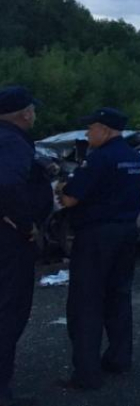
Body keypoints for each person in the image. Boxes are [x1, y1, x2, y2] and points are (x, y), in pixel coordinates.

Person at [58, 108, 140, 391]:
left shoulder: (99, 159)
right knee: (118, 297)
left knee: (86, 302)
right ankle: (119, 359)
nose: (87, 134)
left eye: (91, 128)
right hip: (126, 233)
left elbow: (71, 199)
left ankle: (86, 373)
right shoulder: (135, 157)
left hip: (96, 235)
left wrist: (60, 186)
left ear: (105, 129)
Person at [0, 86, 53, 406]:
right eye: (33, 110)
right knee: (9, 310)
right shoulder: (11, 141)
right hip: (9, 242)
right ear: (25, 113)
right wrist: (24, 223)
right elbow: (7, 183)